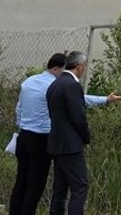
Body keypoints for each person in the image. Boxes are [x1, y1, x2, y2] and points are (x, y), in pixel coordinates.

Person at [9, 53, 121, 215]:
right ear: (56, 68)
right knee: (36, 184)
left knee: (21, 180)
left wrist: (21, 125)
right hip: (42, 138)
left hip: (24, 136)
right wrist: (105, 100)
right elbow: (80, 101)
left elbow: (19, 108)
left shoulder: (28, 82)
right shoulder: (56, 84)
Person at [47, 51, 92, 215]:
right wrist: (86, 137)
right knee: (80, 186)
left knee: (60, 188)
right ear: (79, 67)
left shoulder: (55, 84)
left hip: (56, 143)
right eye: (84, 67)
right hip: (71, 145)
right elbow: (78, 117)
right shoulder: (72, 86)